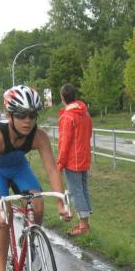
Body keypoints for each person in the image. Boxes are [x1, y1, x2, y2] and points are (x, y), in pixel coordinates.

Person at [0, 84, 71, 271]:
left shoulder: (38, 136)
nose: (27, 121)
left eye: (31, 115)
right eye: (21, 115)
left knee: (37, 204)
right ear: (9, 115)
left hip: (19, 167)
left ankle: (29, 241)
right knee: (5, 217)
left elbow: (52, 169)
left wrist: (60, 203)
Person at [57, 83, 93, 237]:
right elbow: (89, 133)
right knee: (83, 189)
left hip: (73, 160)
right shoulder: (85, 114)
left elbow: (64, 143)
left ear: (63, 97)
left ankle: (83, 224)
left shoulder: (67, 117)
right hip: (84, 157)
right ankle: (85, 221)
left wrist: (60, 163)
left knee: (75, 191)